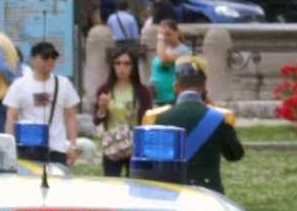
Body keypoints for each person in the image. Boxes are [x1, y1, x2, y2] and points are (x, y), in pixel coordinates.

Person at [142, 55, 244, 193]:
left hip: (171, 192)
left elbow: (147, 162)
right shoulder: (220, 117)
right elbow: (235, 154)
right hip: (209, 192)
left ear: (176, 88)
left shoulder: (158, 117)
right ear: (204, 89)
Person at [3, 41, 80, 166]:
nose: (50, 61)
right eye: (45, 57)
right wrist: (8, 147)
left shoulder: (63, 84)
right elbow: (11, 117)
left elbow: (70, 116)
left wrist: (73, 145)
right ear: (33, 60)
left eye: (53, 57)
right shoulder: (20, 85)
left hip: (56, 148)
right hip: (28, 147)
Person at [94, 48, 153, 177]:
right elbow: (96, 119)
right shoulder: (105, 89)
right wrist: (102, 109)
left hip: (135, 145)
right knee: (111, 183)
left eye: (127, 64)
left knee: (135, 184)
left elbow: (147, 118)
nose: (122, 68)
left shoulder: (142, 91)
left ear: (133, 67)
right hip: (112, 145)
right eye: (118, 63)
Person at [149, 20, 191, 106]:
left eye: (169, 34)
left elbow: (164, 59)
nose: (166, 38)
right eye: (164, 35)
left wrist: (160, 38)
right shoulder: (166, 48)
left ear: (177, 32)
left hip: (170, 96)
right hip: (157, 95)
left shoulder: (182, 50)